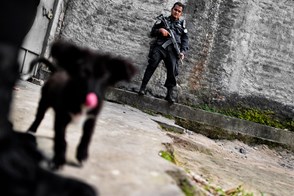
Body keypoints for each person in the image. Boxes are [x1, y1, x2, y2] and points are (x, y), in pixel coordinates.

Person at [138, 2, 189, 103]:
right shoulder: (163, 20)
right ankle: (142, 88)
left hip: (173, 51)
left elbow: (185, 40)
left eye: (179, 11)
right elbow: (152, 32)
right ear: (172, 9)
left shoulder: (182, 25)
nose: (176, 12)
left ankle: (169, 95)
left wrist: (182, 51)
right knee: (152, 65)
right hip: (160, 47)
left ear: (181, 13)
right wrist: (160, 30)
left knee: (172, 72)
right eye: (175, 10)